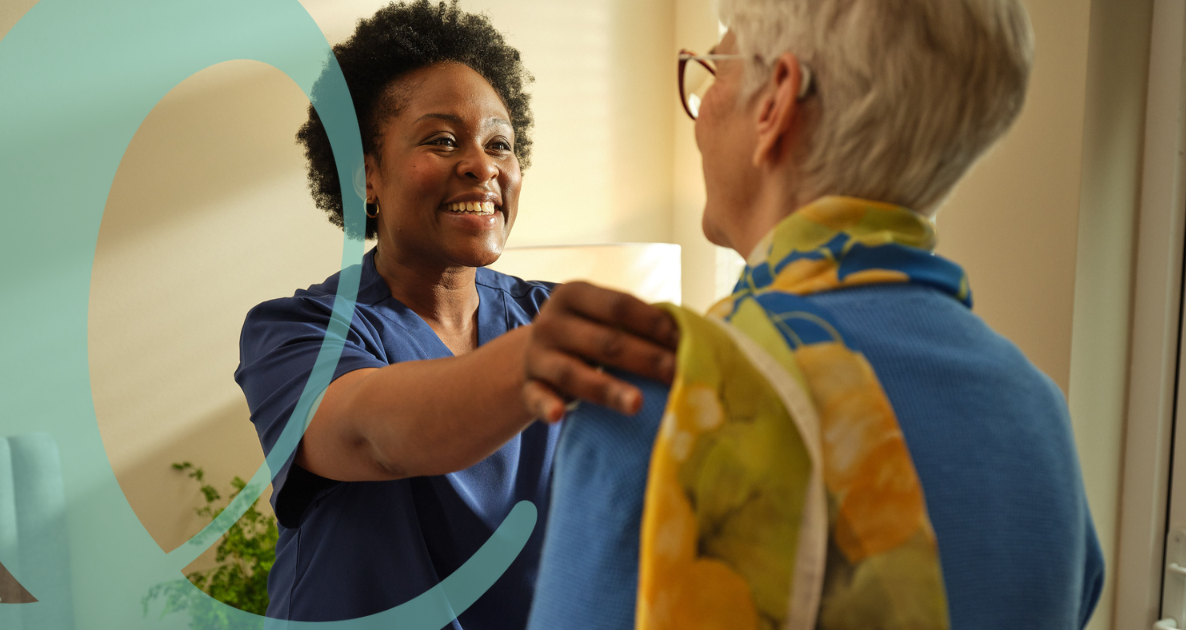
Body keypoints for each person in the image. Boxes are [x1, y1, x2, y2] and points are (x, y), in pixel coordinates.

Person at [526, 0, 1105, 628]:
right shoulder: (1039, 413)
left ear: (774, 102)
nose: (699, 111)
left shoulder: (659, 401)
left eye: (714, 66)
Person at [233, 1, 677, 626]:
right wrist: (530, 362)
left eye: (500, 143)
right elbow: (374, 436)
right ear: (367, 179)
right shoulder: (299, 330)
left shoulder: (546, 314)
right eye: (442, 140)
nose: (482, 165)